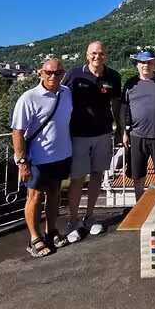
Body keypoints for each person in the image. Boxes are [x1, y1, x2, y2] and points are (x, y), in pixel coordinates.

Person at [11, 59, 73, 258]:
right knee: (35, 197)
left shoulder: (66, 93)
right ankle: (34, 238)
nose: (52, 76)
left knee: (55, 193)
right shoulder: (29, 98)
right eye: (48, 72)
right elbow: (17, 132)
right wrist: (22, 162)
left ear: (63, 74)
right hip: (36, 158)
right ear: (40, 73)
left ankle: (51, 231)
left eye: (57, 73)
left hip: (61, 154)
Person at [61, 41, 122, 242]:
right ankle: (72, 221)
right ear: (87, 55)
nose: (98, 56)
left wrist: (120, 128)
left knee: (97, 175)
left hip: (104, 133)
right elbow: (60, 100)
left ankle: (89, 217)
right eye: (94, 53)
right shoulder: (73, 74)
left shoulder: (114, 76)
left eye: (101, 53)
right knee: (78, 178)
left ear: (106, 55)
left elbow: (116, 104)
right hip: (78, 134)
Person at [122, 48, 155, 200]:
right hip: (137, 135)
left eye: (149, 62)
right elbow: (124, 108)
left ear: (154, 63)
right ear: (137, 65)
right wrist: (123, 132)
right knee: (137, 175)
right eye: (142, 62)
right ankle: (139, 203)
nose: (146, 65)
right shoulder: (130, 83)